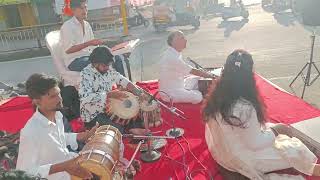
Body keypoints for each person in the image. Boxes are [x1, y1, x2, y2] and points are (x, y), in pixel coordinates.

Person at [203, 49, 320, 179]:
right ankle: (313, 168)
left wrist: (274, 130)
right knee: (294, 150)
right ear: (249, 75)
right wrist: (277, 132)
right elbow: (255, 144)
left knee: (275, 128)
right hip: (240, 160)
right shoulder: (244, 106)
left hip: (220, 152)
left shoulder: (217, 94)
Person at [16, 73, 99, 180]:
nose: (59, 99)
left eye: (59, 93)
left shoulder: (58, 115)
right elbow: (25, 172)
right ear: (37, 102)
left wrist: (81, 136)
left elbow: (54, 138)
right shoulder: (31, 132)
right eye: (52, 97)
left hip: (70, 173)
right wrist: (63, 167)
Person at [79, 46, 148, 134]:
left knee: (134, 112)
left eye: (108, 65)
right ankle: (129, 130)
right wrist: (109, 95)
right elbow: (85, 98)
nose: (107, 68)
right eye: (104, 66)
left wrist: (137, 92)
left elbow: (121, 79)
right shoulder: (85, 75)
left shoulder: (107, 69)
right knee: (116, 129)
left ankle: (132, 128)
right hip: (94, 114)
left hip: (109, 108)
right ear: (95, 63)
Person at [159, 31, 214, 104]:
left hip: (179, 84)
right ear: (173, 42)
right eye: (182, 38)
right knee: (198, 97)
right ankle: (191, 93)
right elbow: (193, 71)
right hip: (170, 93)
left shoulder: (173, 52)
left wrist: (206, 74)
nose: (185, 40)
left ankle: (189, 91)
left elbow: (189, 71)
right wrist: (212, 76)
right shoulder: (172, 57)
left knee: (197, 79)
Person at [60, 0, 103, 72]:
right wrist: (89, 43)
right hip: (74, 61)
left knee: (115, 58)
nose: (84, 10)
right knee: (99, 63)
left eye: (85, 7)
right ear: (73, 10)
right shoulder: (67, 26)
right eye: (81, 8)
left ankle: (119, 83)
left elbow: (93, 47)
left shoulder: (87, 25)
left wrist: (105, 51)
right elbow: (68, 50)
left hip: (88, 56)